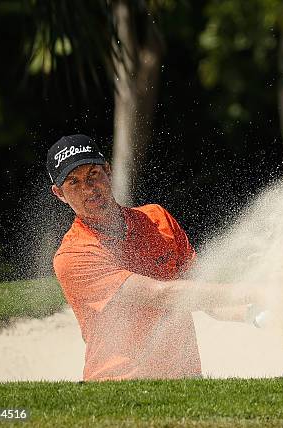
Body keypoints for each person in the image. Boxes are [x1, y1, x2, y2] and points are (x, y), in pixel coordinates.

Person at [47, 134, 270, 381]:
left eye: (93, 174)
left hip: (186, 380)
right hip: (119, 389)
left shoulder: (157, 218)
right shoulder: (73, 255)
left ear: (108, 171)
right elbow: (161, 295)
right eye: (73, 183)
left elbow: (199, 294)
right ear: (59, 193)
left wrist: (253, 312)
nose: (88, 188)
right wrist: (257, 291)